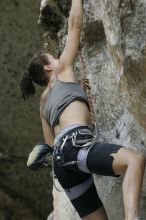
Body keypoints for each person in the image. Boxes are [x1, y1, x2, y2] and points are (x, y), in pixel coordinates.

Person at [20, 1, 146, 220]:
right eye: (54, 57)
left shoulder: (43, 103)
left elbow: (50, 145)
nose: (59, 58)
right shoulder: (61, 70)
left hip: (62, 168)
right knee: (134, 160)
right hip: (74, 147)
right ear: (49, 67)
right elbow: (74, 27)